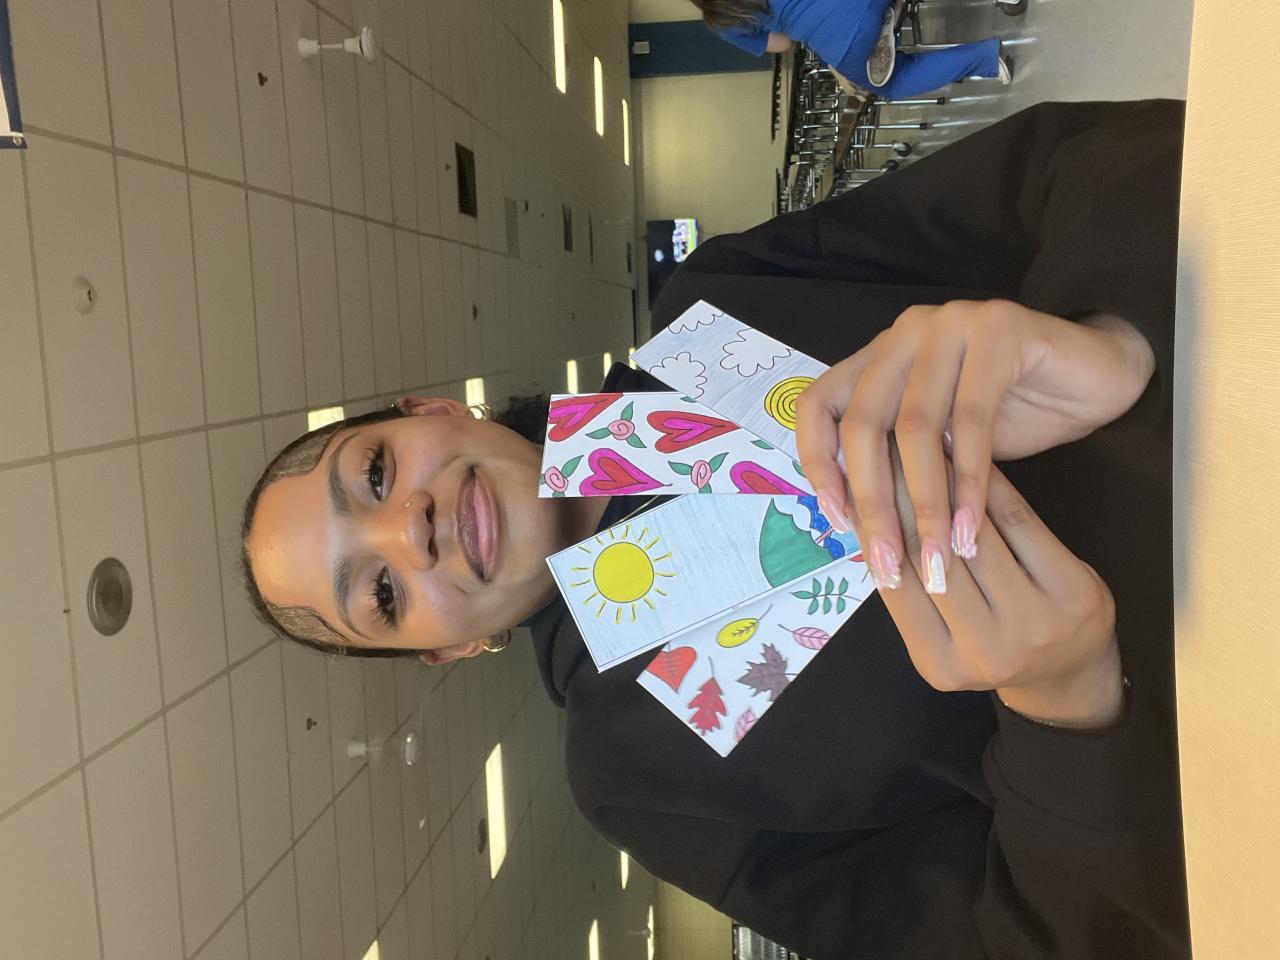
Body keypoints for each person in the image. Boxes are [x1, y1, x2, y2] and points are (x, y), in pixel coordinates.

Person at [241, 100, 1191, 959]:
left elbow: (1069, 165)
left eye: (374, 474)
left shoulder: (719, 307)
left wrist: (1120, 337)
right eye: (382, 594)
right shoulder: (637, 777)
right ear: (450, 650)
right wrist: (1067, 710)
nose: (409, 532)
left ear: (435, 411)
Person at [693, 0, 1018, 98]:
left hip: (844, 41)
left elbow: (783, 43)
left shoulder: (722, 20)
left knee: (891, 83)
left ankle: (986, 60)